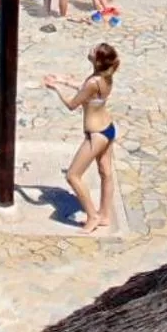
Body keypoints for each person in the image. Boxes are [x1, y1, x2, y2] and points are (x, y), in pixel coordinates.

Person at [43, 43, 119, 234]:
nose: (91, 50)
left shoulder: (93, 82)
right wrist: (63, 80)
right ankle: (105, 215)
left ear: (98, 60)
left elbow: (72, 104)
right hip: (108, 128)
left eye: (94, 51)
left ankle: (92, 216)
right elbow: (85, 87)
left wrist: (55, 88)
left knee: (73, 176)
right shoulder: (105, 76)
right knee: (106, 172)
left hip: (96, 135)